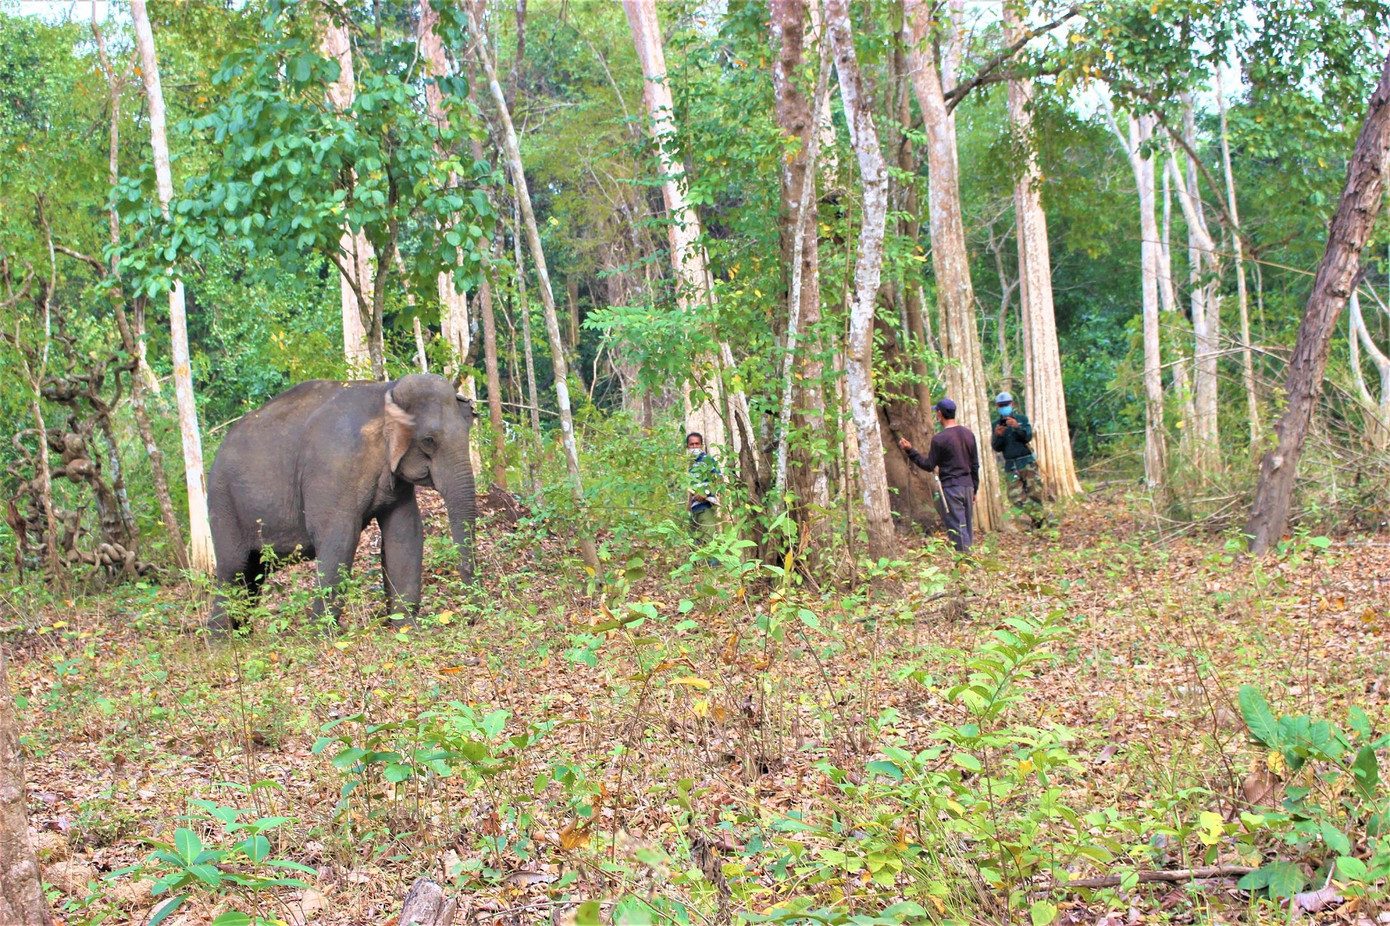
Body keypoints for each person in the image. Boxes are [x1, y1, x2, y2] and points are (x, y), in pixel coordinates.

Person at [897, 398, 979, 554]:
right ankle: (967, 561)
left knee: (956, 526)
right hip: (968, 486)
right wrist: (975, 489)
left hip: (951, 488)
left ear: (940, 414)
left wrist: (910, 451)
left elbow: (929, 465)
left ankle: (966, 561)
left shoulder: (939, 439)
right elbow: (975, 465)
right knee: (966, 526)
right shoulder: (969, 434)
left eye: (937, 412)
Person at [991, 391, 1048, 528]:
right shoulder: (996, 424)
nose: (1004, 407)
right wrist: (998, 435)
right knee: (1015, 497)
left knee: (1035, 493)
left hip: (1027, 463)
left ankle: (1039, 524)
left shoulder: (1022, 419)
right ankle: (1044, 517)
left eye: (1006, 404)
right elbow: (997, 447)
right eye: (1001, 405)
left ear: (1012, 404)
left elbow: (1027, 437)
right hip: (1011, 466)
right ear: (997, 406)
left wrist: (1017, 427)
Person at [685, 432, 721, 555]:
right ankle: (698, 570)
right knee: (694, 541)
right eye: (692, 444)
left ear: (702, 445)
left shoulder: (707, 460)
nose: (695, 447)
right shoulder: (690, 464)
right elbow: (691, 488)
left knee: (708, 540)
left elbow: (718, 480)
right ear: (687, 447)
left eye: (697, 444)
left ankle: (713, 568)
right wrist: (688, 507)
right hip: (694, 508)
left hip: (706, 506)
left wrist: (706, 493)